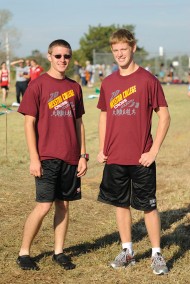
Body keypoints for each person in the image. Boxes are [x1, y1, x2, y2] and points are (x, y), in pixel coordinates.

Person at [97, 29, 171, 275]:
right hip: (115, 157)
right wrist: (102, 148)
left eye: (123, 49)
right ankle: (127, 250)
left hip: (142, 159)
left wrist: (154, 151)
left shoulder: (148, 80)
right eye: (115, 50)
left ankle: (156, 254)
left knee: (148, 206)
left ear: (133, 48)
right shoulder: (108, 82)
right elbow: (104, 116)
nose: (119, 54)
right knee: (121, 204)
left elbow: (164, 116)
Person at [16, 39, 88, 271]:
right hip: (46, 156)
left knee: (63, 205)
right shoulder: (37, 85)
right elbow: (29, 124)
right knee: (43, 206)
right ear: (49, 57)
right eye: (58, 56)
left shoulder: (75, 87)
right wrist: (34, 157)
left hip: (70, 156)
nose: (62, 60)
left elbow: (79, 123)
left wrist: (82, 155)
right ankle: (24, 252)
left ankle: (59, 251)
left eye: (66, 56)